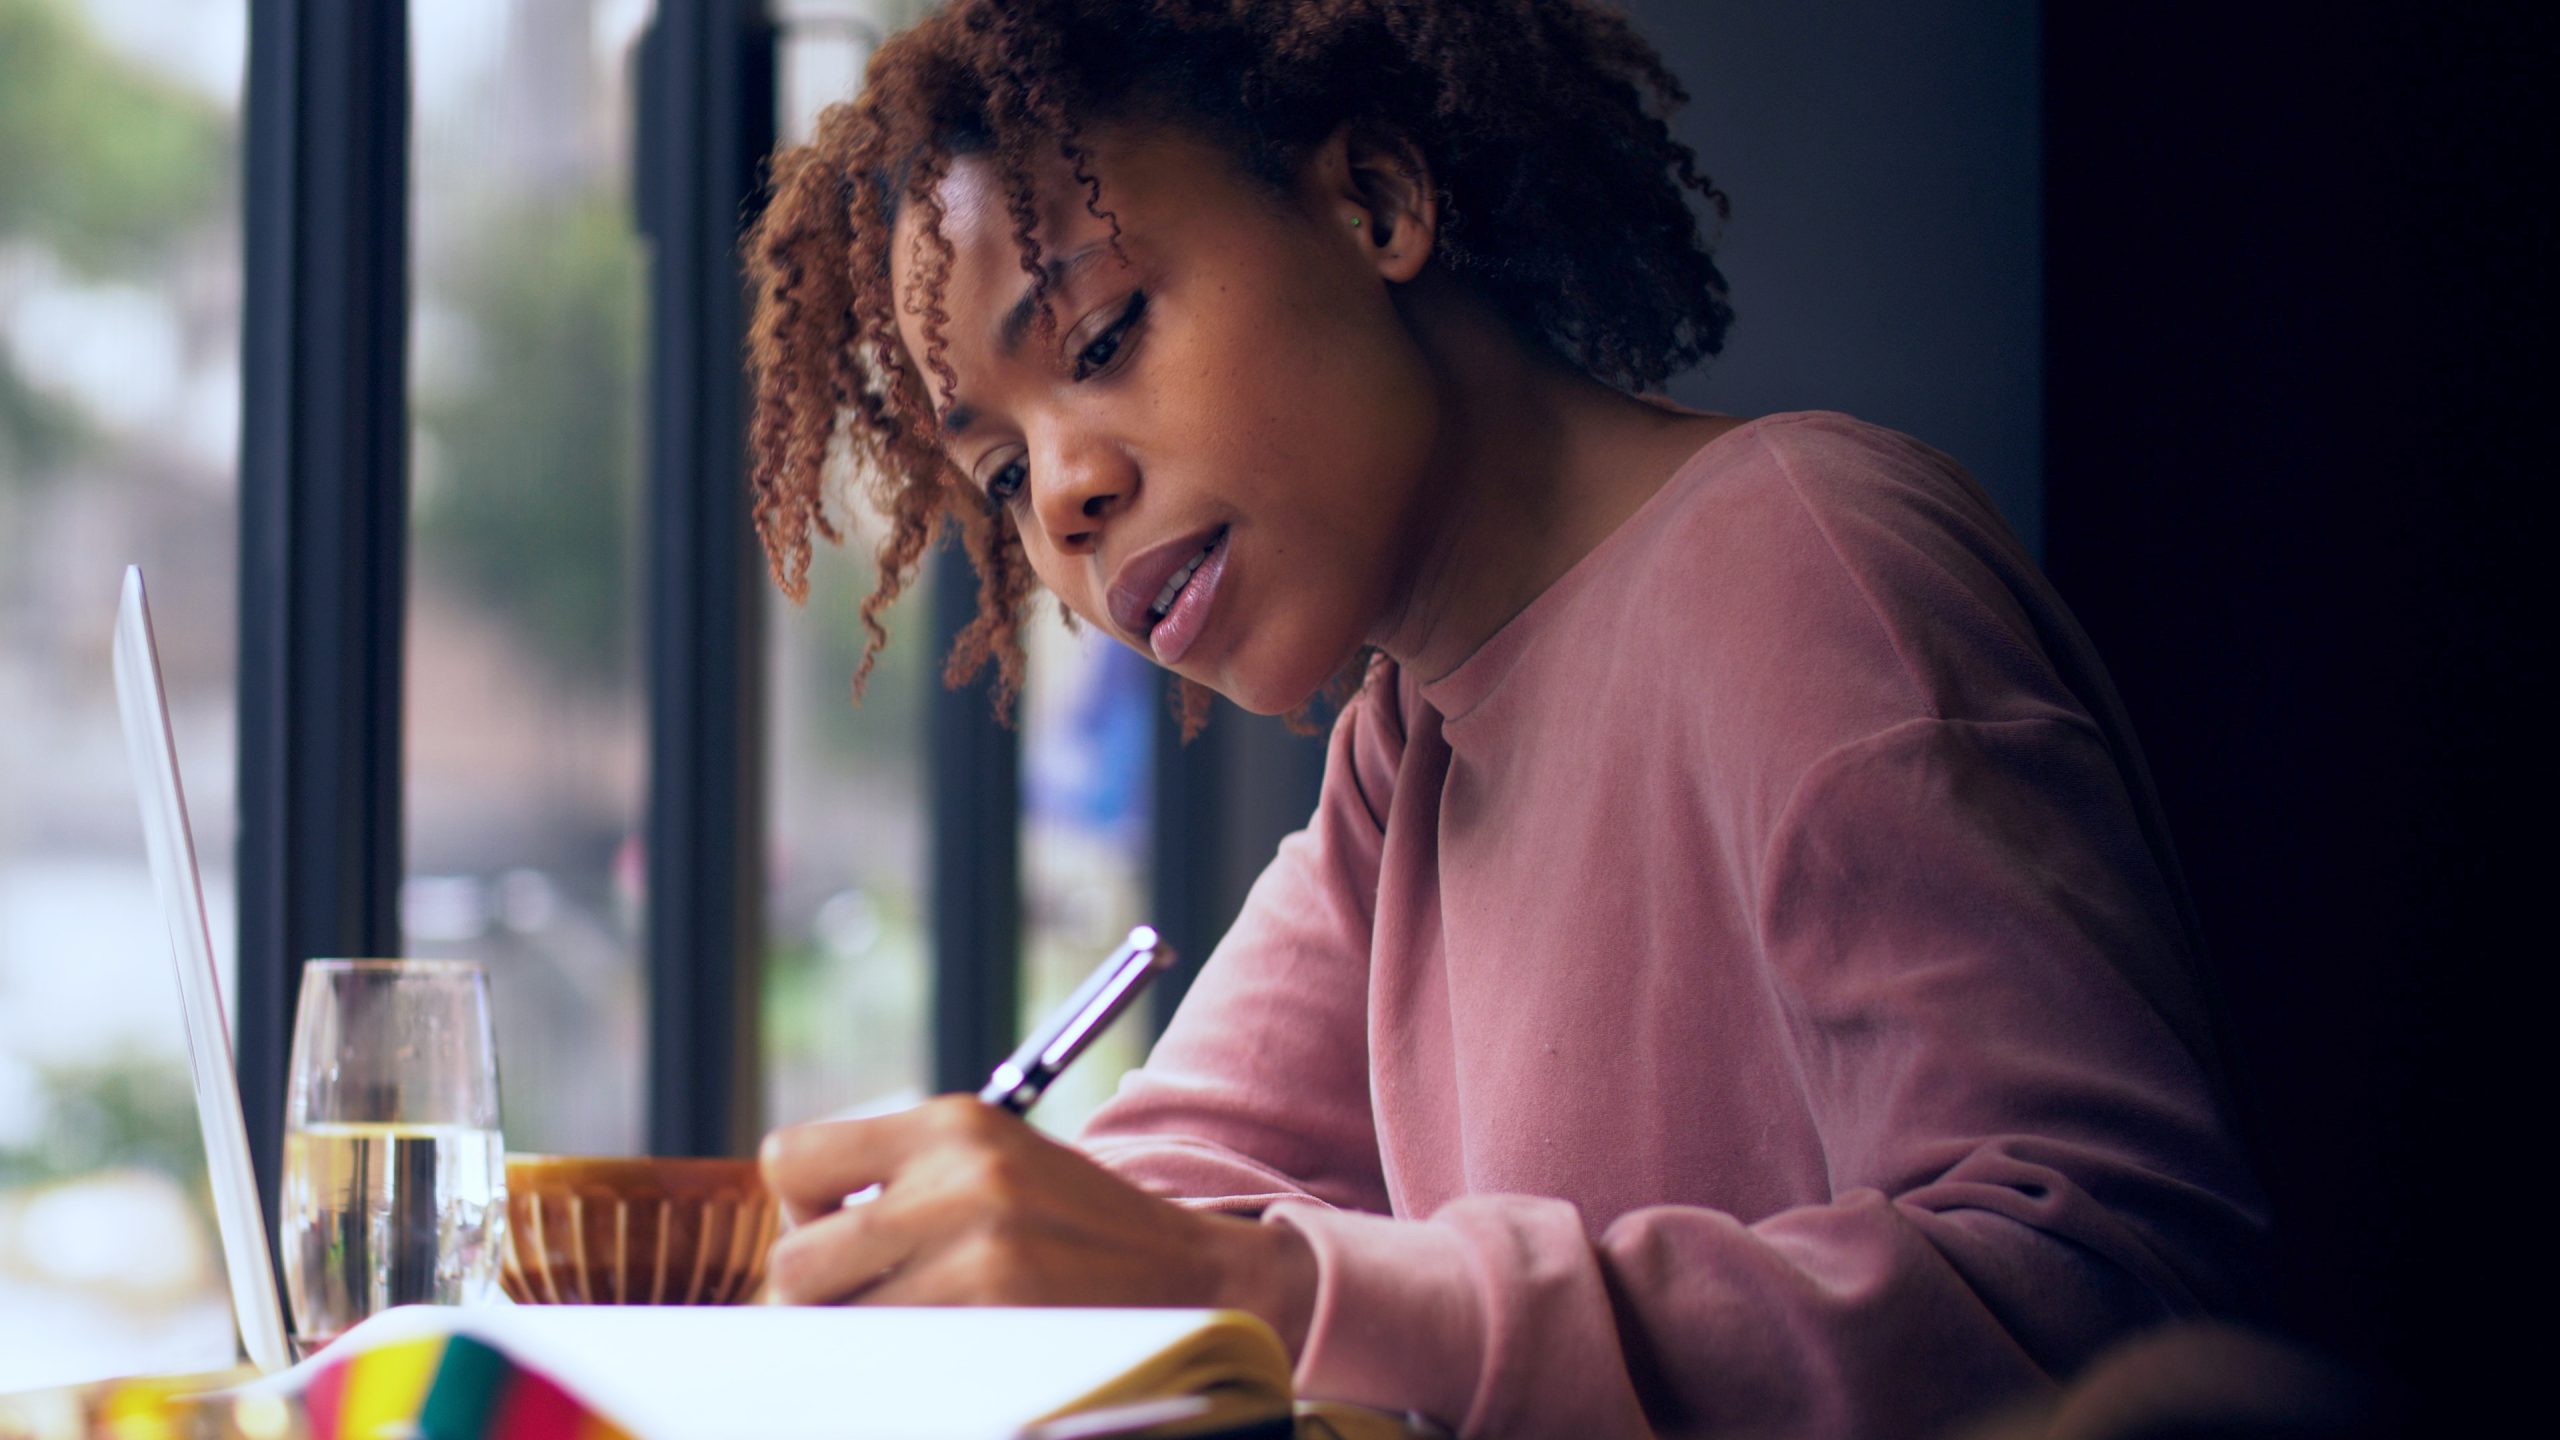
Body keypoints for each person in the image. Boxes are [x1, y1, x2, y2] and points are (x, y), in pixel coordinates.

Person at [743, 3, 2265, 1436]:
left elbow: (2114, 1295)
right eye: (1003, 476)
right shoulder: (1408, 753)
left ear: (1378, 203)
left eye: (1100, 341)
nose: (1066, 498)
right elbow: (1177, 1194)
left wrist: (1270, 1290)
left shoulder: (1798, 560)